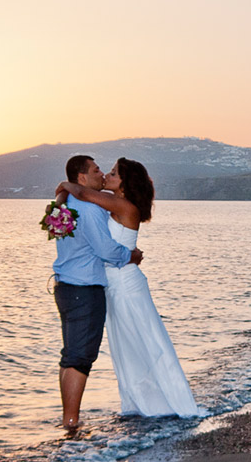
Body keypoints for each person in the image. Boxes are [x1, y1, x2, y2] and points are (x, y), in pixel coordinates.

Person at [56, 158, 199, 417]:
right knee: (127, 348)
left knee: (147, 341)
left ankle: (173, 402)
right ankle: (144, 403)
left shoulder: (122, 205)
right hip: (112, 284)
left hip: (126, 284)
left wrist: (65, 185)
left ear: (125, 184)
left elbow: (82, 192)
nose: (107, 175)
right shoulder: (109, 206)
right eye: (104, 171)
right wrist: (62, 197)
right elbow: (80, 204)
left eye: (113, 173)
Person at [53, 155, 144, 430]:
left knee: (70, 355)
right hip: (84, 289)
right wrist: (131, 255)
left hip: (64, 286)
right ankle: (71, 421)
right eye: (96, 170)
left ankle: (68, 418)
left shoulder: (66, 204)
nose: (101, 173)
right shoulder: (90, 209)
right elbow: (106, 251)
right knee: (80, 358)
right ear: (81, 178)